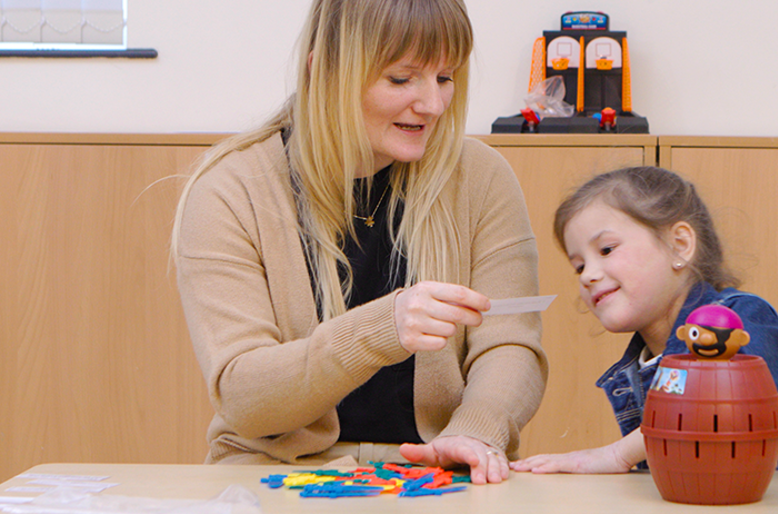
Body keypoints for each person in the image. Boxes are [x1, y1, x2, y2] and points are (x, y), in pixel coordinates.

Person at [170, 0, 546, 484]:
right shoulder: (230, 189)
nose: (432, 104)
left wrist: (476, 433)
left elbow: (510, 344)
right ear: (323, 70)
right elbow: (246, 399)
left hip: (440, 480)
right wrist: (380, 330)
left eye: (445, 77)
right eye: (401, 78)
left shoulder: (482, 178)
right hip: (275, 478)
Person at [510, 166, 778, 473]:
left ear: (679, 245)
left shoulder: (738, 318)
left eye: (606, 250)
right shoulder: (638, 368)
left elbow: (712, 404)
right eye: (579, 266)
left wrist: (615, 456)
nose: (588, 276)